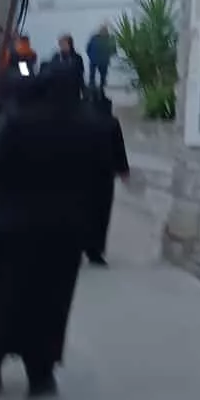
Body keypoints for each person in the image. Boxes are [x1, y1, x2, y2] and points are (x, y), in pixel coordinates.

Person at [0, 60, 111, 398]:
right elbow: (99, 182)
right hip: (65, 231)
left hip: (13, 224)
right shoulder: (93, 125)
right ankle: (41, 372)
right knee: (50, 301)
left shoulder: (20, 121)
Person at [82, 87, 130, 267]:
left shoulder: (81, 121)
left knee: (80, 211)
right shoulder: (111, 122)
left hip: (81, 175)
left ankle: (78, 245)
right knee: (100, 214)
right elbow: (119, 149)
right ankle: (95, 250)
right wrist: (123, 170)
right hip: (104, 175)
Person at [86, 23, 115, 93]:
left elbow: (113, 50)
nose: (103, 32)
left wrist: (107, 56)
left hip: (103, 61)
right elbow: (88, 48)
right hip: (94, 60)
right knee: (92, 76)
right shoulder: (94, 38)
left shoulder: (110, 39)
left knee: (103, 76)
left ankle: (102, 89)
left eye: (105, 30)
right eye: (102, 30)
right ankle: (91, 89)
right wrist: (90, 56)